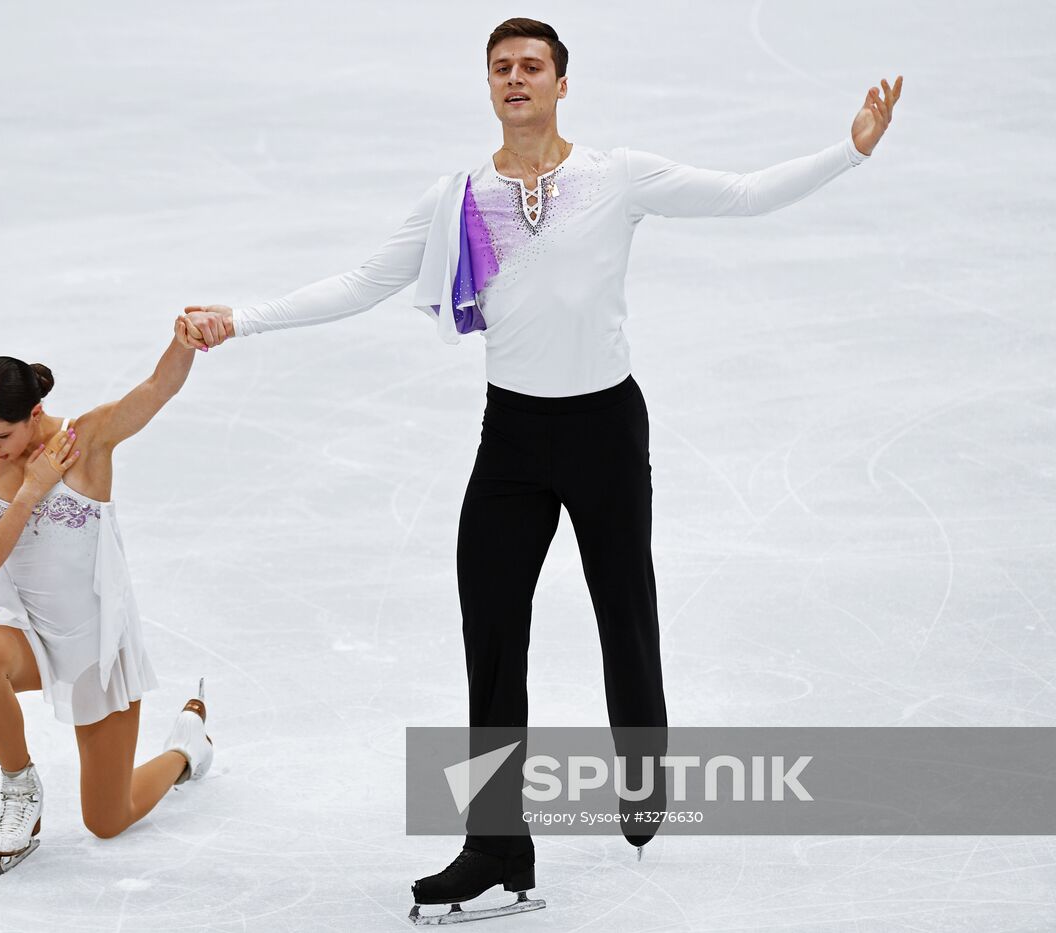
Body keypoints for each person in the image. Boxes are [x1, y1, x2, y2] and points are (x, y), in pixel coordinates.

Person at [175, 16, 900, 923]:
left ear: (563, 83)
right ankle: (495, 842)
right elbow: (364, 281)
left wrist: (852, 150)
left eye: (532, 66)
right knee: (490, 632)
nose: (516, 78)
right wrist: (238, 317)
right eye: (501, 68)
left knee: (624, 617)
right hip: (513, 439)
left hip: (603, 428)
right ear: (488, 86)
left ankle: (643, 773)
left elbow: (745, 194)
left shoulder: (616, 176)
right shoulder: (461, 199)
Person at [0, 350, 215, 873]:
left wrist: (184, 342)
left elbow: (157, 388)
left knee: (106, 819)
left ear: (33, 414)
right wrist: (31, 489)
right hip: (27, 636)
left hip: (95, 649)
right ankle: (20, 788)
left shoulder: (86, 439)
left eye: (0, 436)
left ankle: (186, 750)